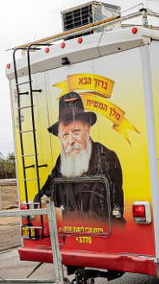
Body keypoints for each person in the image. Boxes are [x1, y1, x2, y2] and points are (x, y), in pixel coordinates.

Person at [37, 90, 125, 219]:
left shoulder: (106, 158)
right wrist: (42, 201)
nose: (71, 141)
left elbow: (104, 215)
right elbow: (42, 195)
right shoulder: (62, 161)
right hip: (66, 236)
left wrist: (61, 215)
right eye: (65, 135)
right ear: (60, 137)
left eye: (76, 131)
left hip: (104, 237)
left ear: (87, 129)